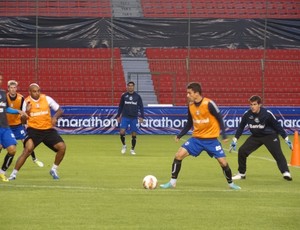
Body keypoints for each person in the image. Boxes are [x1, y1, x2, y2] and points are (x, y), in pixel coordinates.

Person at [160, 82, 241, 190]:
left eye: (189, 93)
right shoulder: (190, 106)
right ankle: (172, 182)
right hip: (196, 139)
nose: (187, 95)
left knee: (223, 162)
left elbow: (219, 118)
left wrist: (224, 135)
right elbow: (189, 123)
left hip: (211, 140)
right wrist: (180, 135)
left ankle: (231, 184)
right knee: (178, 155)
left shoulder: (209, 103)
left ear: (196, 93)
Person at [9, 83, 66, 180]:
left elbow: (60, 110)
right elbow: (22, 121)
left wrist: (55, 117)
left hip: (48, 130)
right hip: (33, 130)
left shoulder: (47, 99)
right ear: (29, 92)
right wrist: (26, 112)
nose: (37, 93)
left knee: (62, 147)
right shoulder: (26, 102)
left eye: (38, 91)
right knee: (28, 150)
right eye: (34, 91)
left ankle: (53, 169)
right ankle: (13, 174)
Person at [230, 95, 293, 181]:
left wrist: (286, 139)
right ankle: (241, 174)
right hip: (256, 136)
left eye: (255, 104)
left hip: (270, 136)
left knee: (278, 153)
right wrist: (235, 140)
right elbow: (241, 127)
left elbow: (277, 126)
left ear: (260, 105)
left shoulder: (267, 114)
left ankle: (286, 172)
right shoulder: (247, 114)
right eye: (251, 104)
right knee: (242, 151)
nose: (252, 106)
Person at [6, 80, 44, 167]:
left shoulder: (21, 98)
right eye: (11, 88)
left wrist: (25, 120)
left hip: (18, 125)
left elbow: (24, 112)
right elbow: (5, 109)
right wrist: (18, 111)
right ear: (8, 89)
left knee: (28, 143)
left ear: (16, 88)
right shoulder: (4, 97)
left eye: (14, 87)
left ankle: (35, 159)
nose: (13, 89)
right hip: (7, 126)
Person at [0, 73, 28, 182]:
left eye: (1, 79)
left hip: (5, 126)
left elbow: (6, 109)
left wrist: (18, 111)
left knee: (12, 150)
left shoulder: (2, 93)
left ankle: (2, 173)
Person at [116, 81, 144, 155]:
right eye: (129, 86)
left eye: (131, 86)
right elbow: (120, 106)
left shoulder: (137, 96)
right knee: (122, 131)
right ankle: (124, 145)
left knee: (134, 134)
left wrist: (142, 116)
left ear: (133, 87)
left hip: (134, 117)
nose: (130, 87)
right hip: (125, 116)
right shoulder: (124, 96)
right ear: (127, 87)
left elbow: (141, 107)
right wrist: (118, 116)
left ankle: (132, 149)